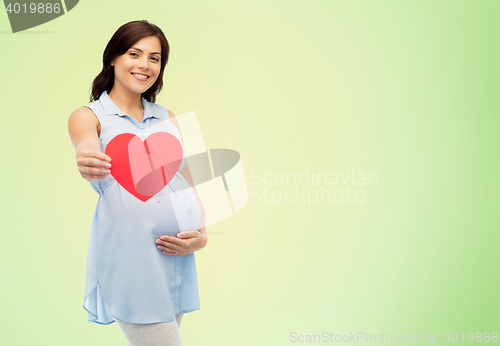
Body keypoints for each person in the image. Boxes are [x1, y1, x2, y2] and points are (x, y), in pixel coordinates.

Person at [67, 20, 207, 346]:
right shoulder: (89, 115)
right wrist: (87, 158)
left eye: (155, 58)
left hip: (175, 258)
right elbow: (85, 145)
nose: (145, 65)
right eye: (135, 53)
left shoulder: (168, 116)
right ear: (113, 58)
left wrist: (201, 235)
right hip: (132, 263)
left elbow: (188, 179)